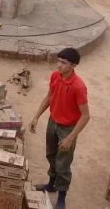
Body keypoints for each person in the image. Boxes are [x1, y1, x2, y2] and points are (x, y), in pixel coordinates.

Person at [28, 48, 90, 209]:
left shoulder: (79, 87)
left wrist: (70, 138)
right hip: (53, 122)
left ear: (74, 65)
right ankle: (51, 184)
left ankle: (62, 196)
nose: (59, 65)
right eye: (59, 61)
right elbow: (49, 96)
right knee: (51, 155)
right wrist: (36, 116)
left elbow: (85, 116)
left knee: (63, 163)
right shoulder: (55, 76)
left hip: (67, 128)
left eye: (63, 63)